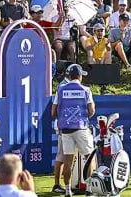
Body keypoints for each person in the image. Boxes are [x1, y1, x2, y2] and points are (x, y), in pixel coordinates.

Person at [51, 64, 96, 196]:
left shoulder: (60, 89)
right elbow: (91, 111)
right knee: (89, 158)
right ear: (80, 76)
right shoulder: (86, 90)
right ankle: (89, 189)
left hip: (65, 129)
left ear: (69, 76)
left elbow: (53, 111)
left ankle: (68, 190)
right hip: (81, 127)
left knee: (67, 161)